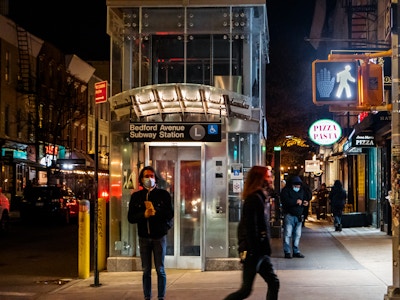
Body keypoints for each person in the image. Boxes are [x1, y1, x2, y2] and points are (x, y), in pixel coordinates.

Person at [224, 166, 279, 300]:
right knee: (245, 290)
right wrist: (255, 250)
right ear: (260, 179)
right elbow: (250, 227)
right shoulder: (254, 199)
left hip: (259, 251)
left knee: (273, 282)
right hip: (254, 251)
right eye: (268, 176)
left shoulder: (260, 197)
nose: (270, 179)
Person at [128, 166, 174, 300]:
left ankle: (161, 296)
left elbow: (169, 214)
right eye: (146, 176)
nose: (149, 178)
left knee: (160, 269)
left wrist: (156, 212)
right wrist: (144, 215)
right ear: (141, 179)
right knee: (146, 270)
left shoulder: (163, 195)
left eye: (152, 176)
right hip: (143, 238)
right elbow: (131, 218)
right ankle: (147, 296)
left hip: (159, 237)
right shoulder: (136, 196)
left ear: (156, 179)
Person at [280, 175, 308, 258]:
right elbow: (285, 201)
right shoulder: (286, 191)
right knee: (288, 234)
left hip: (298, 215)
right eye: (295, 185)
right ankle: (287, 251)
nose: (297, 187)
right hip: (289, 215)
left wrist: (304, 203)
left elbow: (304, 199)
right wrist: (296, 202)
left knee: (297, 235)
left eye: (298, 185)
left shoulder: (301, 191)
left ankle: (295, 251)